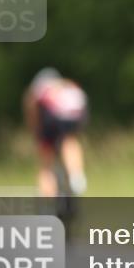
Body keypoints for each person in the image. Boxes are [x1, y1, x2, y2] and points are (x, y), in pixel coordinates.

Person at [23, 67, 89, 197]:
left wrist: (36, 132)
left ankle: (46, 197)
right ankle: (76, 175)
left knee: (46, 165)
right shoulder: (67, 85)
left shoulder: (39, 89)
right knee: (70, 140)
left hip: (51, 115)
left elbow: (31, 108)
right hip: (75, 112)